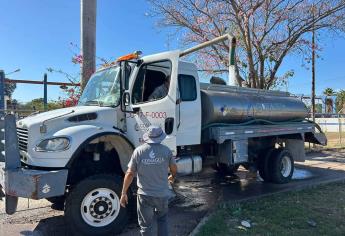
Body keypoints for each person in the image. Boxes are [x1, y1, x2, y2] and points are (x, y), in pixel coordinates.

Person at [120, 125, 177, 236]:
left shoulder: (139, 151)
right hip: (162, 194)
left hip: (144, 196)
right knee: (162, 220)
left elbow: (130, 173)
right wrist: (172, 176)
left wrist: (123, 193)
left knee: (146, 226)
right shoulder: (166, 151)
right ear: (161, 137)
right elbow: (174, 168)